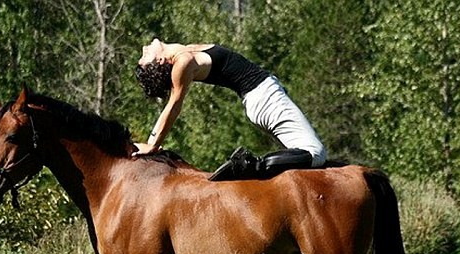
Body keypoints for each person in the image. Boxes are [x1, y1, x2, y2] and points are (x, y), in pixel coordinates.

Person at [134, 38, 327, 181]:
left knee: (301, 159)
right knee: (315, 153)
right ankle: (249, 166)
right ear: (159, 62)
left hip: (264, 97)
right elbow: (173, 105)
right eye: (145, 56)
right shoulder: (183, 62)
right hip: (265, 98)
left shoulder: (184, 51)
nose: (144, 48)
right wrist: (153, 144)